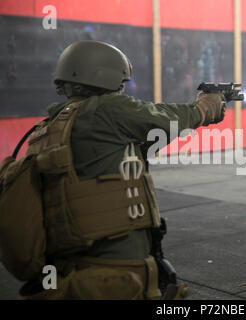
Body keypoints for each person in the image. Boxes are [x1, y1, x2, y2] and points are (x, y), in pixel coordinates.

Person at [19, 40, 225, 300]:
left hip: (72, 270)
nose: (122, 89)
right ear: (107, 78)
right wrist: (203, 108)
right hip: (115, 274)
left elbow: (112, 154)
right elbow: (161, 117)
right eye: (120, 84)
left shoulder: (49, 128)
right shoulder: (105, 109)